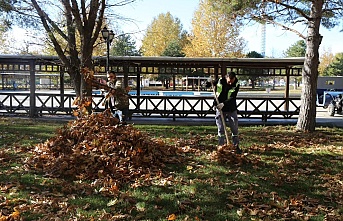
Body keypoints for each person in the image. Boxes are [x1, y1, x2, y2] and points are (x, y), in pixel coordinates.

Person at [213, 71, 242, 154]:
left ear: (234, 79)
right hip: (220, 108)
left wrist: (224, 104)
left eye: (231, 81)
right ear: (226, 78)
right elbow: (210, 85)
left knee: (234, 128)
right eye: (229, 81)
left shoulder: (236, 84)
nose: (230, 83)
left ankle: (235, 146)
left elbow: (233, 97)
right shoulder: (220, 81)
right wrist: (209, 83)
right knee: (221, 129)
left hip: (231, 108)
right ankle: (220, 146)